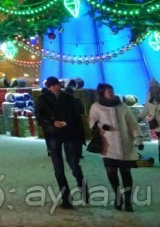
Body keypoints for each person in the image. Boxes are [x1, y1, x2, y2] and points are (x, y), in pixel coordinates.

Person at [89, 83, 143, 212]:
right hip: (108, 145)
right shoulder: (96, 107)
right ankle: (118, 197)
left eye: (111, 90)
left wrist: (139, 138)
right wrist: (102, 126)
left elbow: (132, 123)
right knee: (111, 172)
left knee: (126, 173)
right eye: (108, 90)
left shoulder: (122, 106)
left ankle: (128, 200)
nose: (111, 92)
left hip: (125, 144)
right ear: (102, 92)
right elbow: (91, 123)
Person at [35, 76, 87, 209]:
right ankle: (66, 199)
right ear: (48, 87)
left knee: (74, 164)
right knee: (58, 167)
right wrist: (52, 123)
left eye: (57, 85)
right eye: (53, 86)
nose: (56, 87)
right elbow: (39, 117)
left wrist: (80, 135)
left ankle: (83, 189)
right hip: (53, 134)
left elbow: (76, 116)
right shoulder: (43, 99)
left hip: (69, 132)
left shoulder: (68, 97)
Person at [138, 79, 159, 164]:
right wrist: (138, 118)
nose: (153, 89)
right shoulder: (149, 98)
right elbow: (146, 109)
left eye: (155, 87)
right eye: (151, 88)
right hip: (156, 125)